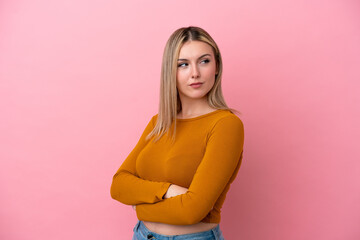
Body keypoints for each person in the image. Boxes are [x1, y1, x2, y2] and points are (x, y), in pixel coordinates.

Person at [110, 26, 244, 240]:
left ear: (216, 66)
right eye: (183, 64)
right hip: (142, 235)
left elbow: (192, 211)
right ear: (170, 71)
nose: (195, 73)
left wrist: (140, 207)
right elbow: (118, 185)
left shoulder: (225, 124)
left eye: (204, 61)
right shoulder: (159, 122)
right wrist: (168, 190)